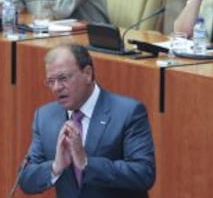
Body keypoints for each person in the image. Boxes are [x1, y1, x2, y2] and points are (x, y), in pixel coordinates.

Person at [18, 44, 156, 198]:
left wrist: (86, 163)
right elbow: (25, 179)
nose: (56, 87)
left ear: (87, 74)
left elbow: (144, 173)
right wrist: (55, 167)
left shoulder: (127, 112)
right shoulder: (45, 117)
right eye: (51, 81)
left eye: (63, 78)